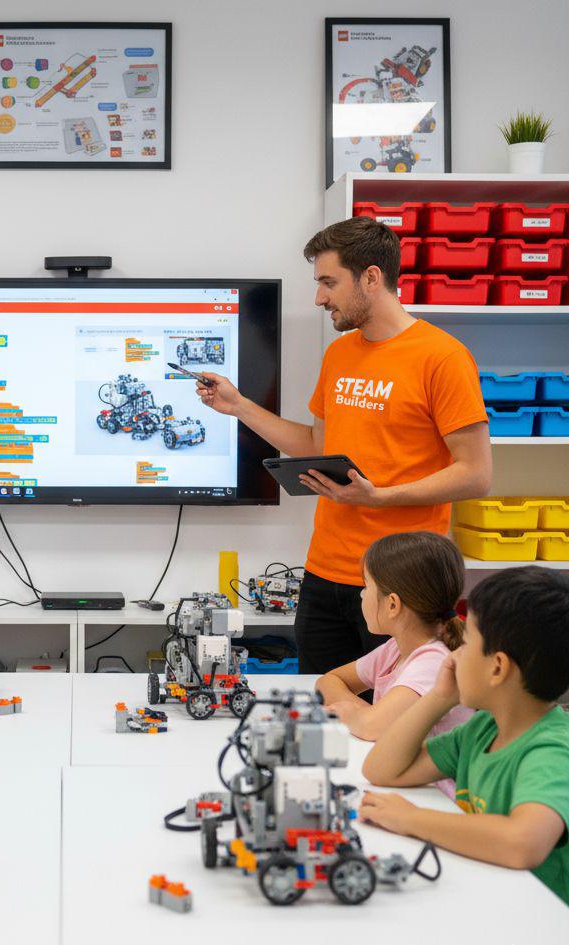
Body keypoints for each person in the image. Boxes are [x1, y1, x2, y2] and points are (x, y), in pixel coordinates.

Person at [196, 216, 491, 673]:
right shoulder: (340, 354)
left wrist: (380, 497)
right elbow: (317, 443)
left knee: (396, 710)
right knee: (325, 703)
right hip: (325, 574)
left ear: (371, 277)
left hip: (402, 581)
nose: (319, 298)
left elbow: (476, 474)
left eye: (329, 282)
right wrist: (238, 406)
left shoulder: (443, 357)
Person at [361, 566, 569, 906]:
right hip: (489, 898)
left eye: (468, 642)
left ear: (498, 667)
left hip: (540, 917)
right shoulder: (483, 729)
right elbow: (382, 770)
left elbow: (522, 843)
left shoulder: (551, 750)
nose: (454, 654)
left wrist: (410, 819)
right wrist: (439, 697)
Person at [315, 531, 473, 757]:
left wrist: (361, 716)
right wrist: (367, 713)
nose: (361, 595)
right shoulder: (395, 649)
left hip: (436, 780)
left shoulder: (433, 663)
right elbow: (328, 681)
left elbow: (370, 727)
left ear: (392, 605)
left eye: (366, 586)